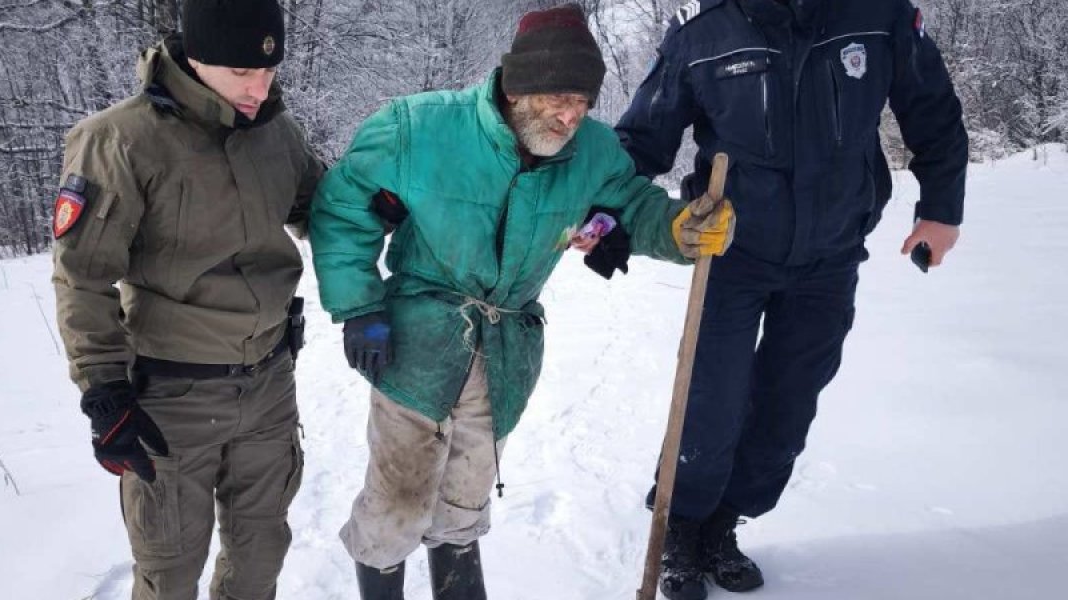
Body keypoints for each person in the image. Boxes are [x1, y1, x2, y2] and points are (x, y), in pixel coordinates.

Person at [308, 4, 736, 599]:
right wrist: (358, 307)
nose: (571, 116)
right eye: (560, 98)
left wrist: (680, 229)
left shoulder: (591, 151)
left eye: (584, 103)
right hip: (415, 341)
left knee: (464, 499)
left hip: (505, 350)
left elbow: (632, 207)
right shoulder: (418, 128)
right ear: (518, 86)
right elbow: (342, 204)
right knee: (397, 500)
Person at [614, 0, 968, 598]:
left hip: (830, 255)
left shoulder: (878, 15)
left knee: (787, 406)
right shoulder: (703, 29)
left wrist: (941, 208)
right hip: (728, 255)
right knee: (711, 400)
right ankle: (683, 526)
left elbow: (930, 107)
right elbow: (641, 139)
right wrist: (601, 216)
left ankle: (724, 523)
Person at [50, 1, 323, 598]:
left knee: (260, 555)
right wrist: (103, 392)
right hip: (171, 397)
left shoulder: (275, 131)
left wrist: (370, 204)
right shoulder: (120, 140)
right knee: (170, 568)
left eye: (269, 74)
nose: (259, 90)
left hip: (270, 384)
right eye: (242, 74)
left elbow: (317, 206)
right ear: (197, 57)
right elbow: (82, 277)